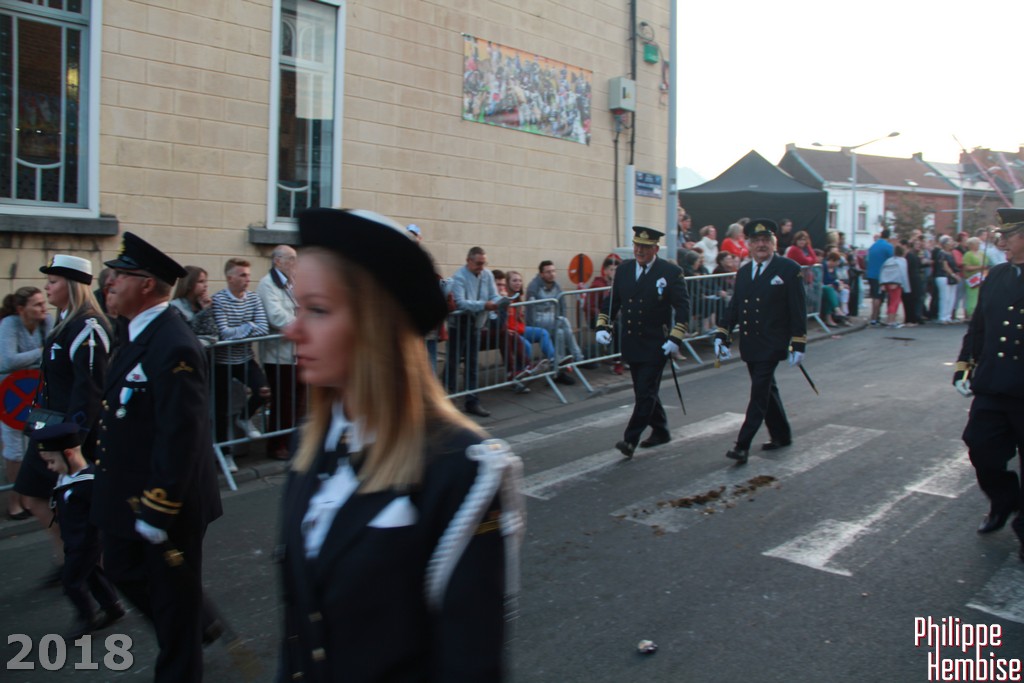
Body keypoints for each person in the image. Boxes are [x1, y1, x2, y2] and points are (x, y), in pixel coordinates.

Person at [278, 208, 524, 681]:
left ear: (375, 327)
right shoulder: (310, 442)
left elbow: (471, 664)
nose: (293, 329)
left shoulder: (462, 468)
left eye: (318, 310)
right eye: (297, 307)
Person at [92, 232, 223, 682]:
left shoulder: (174, 345)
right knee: (120, 569)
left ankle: (183, 651)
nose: (109, 283)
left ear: (146, 284)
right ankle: (196, 620)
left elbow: (181, 435)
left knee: (172, 605)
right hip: (129, 490)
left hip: (166, 498)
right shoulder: (134, 332)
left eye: (119, 276)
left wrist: (159, 507)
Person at [15, 254, 111, 586]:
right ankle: (69, 558)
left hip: (69, 435)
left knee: (77, 506)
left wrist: (72, 442)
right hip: (50, 428)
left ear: (71, 286)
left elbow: (89, 391)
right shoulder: (64, 321)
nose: (47, 288)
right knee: (31, 493)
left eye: (53, 282)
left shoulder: (88, 328)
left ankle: (90, 567)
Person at [953, 208, 1024, 561]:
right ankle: (1005, 499)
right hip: (993, 383)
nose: (1001, 243)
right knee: (981, 448)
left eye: (1008, 236)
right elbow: (978, 325)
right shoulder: (997, 274)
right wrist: (964, 366)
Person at [713, 219, 807, 465]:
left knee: (758, 393)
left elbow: (797, 309)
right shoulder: (744, 272)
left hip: (773, 342)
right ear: (749, 245)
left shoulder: (788, 269)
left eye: (766, 240)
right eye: (756, 241)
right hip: (750, 342)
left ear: (773, 243)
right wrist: (722, 333)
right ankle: (781, 434)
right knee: (766, 390)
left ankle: (742, 445)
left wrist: (799, 342)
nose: (761, 245)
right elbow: (735, 307)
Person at [596, 227, 690, 458]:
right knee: (643, 390)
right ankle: (661, 430)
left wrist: (675, 338)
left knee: (646, 391)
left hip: (656, 343)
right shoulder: (625, 269)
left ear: (655, 249)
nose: (640, 250)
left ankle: (630, 440)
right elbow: (612, 302)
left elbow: (683, 308)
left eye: (646, 247)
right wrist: (603, 325)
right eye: (637, 246)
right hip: (632, 341)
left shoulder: (670, 272)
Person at [33, 422, 124, 638]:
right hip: (74, 539)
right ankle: (112, 606)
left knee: (71, 582)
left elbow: (106, 510)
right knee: (92, 574)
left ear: (69, 454)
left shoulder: (89, 482)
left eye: (52, 461)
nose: (50, 467)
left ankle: (86, 617)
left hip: (86, 542)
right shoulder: (67, 476)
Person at [211, 257, 271, 463]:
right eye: (242, 275)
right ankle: (225, 454)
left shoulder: (253, 299)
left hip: (245, 358)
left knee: (264, 390)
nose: (247, 279)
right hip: (222, 362)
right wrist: (249, 326)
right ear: (230, 278)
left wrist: (244, 330)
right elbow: (224, 333)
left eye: (248, 275)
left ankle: (244, 418)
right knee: (220, 409)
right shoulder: (219, 300)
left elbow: (263, 328)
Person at [0, 287, 52, 520]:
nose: (44, 308)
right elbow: (7, 360)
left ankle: (31, 496)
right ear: (21, 309)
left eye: (43, 302)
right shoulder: (9, 324)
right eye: (37, 304)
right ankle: (15, 501)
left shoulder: (46, 322)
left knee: (35, 441)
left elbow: (54, 353)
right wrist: (40, 352)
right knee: (14, 447)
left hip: (37, 392)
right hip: (10, 395)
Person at [257, 245, 304, 461]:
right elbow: (276, 316)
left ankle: (292, 440)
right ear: (277, 261)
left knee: (297, 400)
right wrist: (303, 324)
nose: (295, 263)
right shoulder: (267, 284)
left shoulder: (292, 283)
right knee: (282, 401)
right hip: (278, 354)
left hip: (296, 351)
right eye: (291, 258)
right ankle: (277, 444)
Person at [445, 246, 502, 417]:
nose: (481, 267)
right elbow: (461, 302)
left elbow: (493, 294)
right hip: (459, 324)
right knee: (454, 362)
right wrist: (484, 305)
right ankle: (449, 398)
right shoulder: (459, 277)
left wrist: (500, 301)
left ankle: (472, 401)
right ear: (468, 261)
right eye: (478, 263)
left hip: (477, 323)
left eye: (484, 263)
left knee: (472, 363)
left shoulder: (487, 274)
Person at [525, 260, 584, 385]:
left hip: (552, 319)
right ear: (541, 274)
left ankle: (558, 371)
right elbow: (530, 311)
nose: (551, 274)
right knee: (563, 322)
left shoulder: (557, 286)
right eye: (548, 272)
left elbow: (563, 307)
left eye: (553, 271)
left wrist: (559, 321)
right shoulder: (534, 287)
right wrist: (535, 326)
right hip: (537, 321)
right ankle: (578, 357)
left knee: (560, 332)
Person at [168, 265, 218, 344]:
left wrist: (206, 309)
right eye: (201, 281)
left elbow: (213, 334)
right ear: (189, 284)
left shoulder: (202, 305)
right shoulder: (175, 307)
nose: (206, 285)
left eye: (205, 281)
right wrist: (203, 313)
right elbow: (187, 333)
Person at [865, 229, 894, 326]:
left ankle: (876, 316)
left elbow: (867, 259)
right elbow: (892, 260)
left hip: (871, 274)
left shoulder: (873, 245)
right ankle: (874, 318)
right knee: (878, 297)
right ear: (888, 236)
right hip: (880, 275)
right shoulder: (888, 246)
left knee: (875, 295)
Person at [879, 245, 911, 327]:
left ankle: (889, 320)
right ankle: (891, 321)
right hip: (896, 282)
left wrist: (882, 283)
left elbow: (882, 270)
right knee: (895, 302)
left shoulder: (889, 260)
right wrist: (906, 287)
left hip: (886, 282)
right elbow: (903, 274)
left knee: (890, 301)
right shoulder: (902, 261)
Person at [933, 235, 961, 324]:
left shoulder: (951, 253)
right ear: (944, 244)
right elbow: (945, 266)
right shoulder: (942, 253)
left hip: (951, 277)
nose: (952, 243)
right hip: (943, 276)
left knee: (951, 297)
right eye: (950, 242)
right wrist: (953, 275)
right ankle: (942, 317)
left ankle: (948, 316)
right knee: (945, 297)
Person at [961, 236, 986, 319]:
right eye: (977, 243)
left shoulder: (982, 253)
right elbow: (966, 267)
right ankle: (971, 313)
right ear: (971, 245)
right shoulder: (968, 254)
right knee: (972, 296)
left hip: (982, 277)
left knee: (980, 295)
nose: (978, 245)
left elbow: (986, 263)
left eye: (979, 243)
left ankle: (979, 313)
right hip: (972, 278)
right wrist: (979, 267)